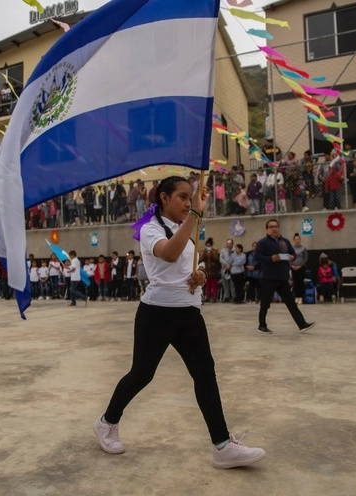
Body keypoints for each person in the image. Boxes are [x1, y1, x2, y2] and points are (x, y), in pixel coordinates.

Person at [94, 176, 266, 469]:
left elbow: (189, 262)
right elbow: (170, 253)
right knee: (142, 374)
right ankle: (106, 422)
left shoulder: (187, 227)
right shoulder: (150, 229)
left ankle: (222, 446)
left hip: (189, 311)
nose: (189, 203)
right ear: (163, 198)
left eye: (191, 198)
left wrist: (200, 274)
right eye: (183, 197)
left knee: (205, 374)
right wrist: (196, 214)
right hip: (157, 313)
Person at [254, 219, 315, 334]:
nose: (274, 228)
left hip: (282, 277)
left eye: (276, 226)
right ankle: (262, 325)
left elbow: (293, 253)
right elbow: (257, 257)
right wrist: (271, 259)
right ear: (267, 229)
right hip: (268, 278)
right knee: (265, 303)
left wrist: (292, 257)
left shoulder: (285, 241)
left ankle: (302, 324)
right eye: (271, 227)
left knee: (291, 303)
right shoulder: (262, 243)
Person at [290, 234, 308, 304]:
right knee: (295, 282)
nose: (297, 241)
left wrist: (300, 266)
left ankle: (301, 297)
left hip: (301, 268)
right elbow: (289, 258)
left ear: (300, 240)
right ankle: (296, 297)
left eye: (298, 239)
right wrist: (291, 265)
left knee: (300, 282)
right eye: (296, 239)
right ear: (294, 240)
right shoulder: (291, 249)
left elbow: (305, 258)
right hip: (293, 268)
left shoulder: (303, 248)